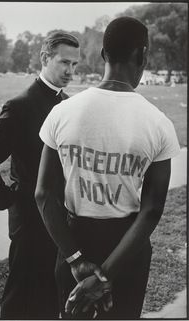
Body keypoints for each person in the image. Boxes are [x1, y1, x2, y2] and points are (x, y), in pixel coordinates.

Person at [35, 17, 181, 319]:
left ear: (103, 55)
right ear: (142, 55)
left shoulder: (61, 112)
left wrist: (75, 261)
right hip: (128, 248)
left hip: (73, 239)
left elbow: (44, 194)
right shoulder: (157, 123)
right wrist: (105, 277)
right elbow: (152, 209)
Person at [0, 31, 80, 319]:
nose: (70, 71)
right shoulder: (20, 105)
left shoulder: (68, 104)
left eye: (75, 65)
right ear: (45, 58)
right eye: (64, 63)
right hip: (31, 223)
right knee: (21, 300)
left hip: (60, 219)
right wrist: (7, 198)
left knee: (50, 297)